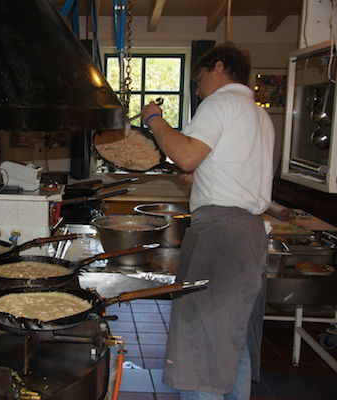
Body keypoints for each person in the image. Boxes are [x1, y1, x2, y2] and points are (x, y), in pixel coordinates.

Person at [141, 42, 275, 400]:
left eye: (198, 81)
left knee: (201, 344)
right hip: (250, 235)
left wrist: (154, 119)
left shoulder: (221, 102)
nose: (198, 90)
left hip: (222, 235)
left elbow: (185, 156)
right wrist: (202, 177)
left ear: (218, 68)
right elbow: (232, 171)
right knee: (231, 341)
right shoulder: (258, 113)